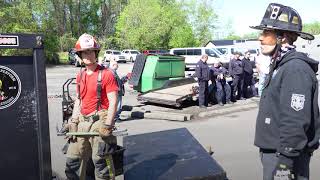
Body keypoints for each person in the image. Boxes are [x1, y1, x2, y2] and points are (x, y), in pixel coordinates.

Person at [250, 3, 320, 180]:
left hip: (284, 158)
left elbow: (295, 120)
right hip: (275, 153)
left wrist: (284, 165)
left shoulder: (295, 69)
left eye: (266, 33)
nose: (260, 38)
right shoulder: (281, 65)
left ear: (283, 37)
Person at [65, 33, 119, 180]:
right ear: (80, 55)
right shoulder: (80, 75)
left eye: (90, 51)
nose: (88, 55)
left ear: (96, 53)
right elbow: (79, 100)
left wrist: (108, 124)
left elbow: (113, 101)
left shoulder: (106, 74)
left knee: (102, 162)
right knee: (73, 162)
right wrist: (74, 120)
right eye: (84, 52)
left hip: (100, 120)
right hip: (82, 121)